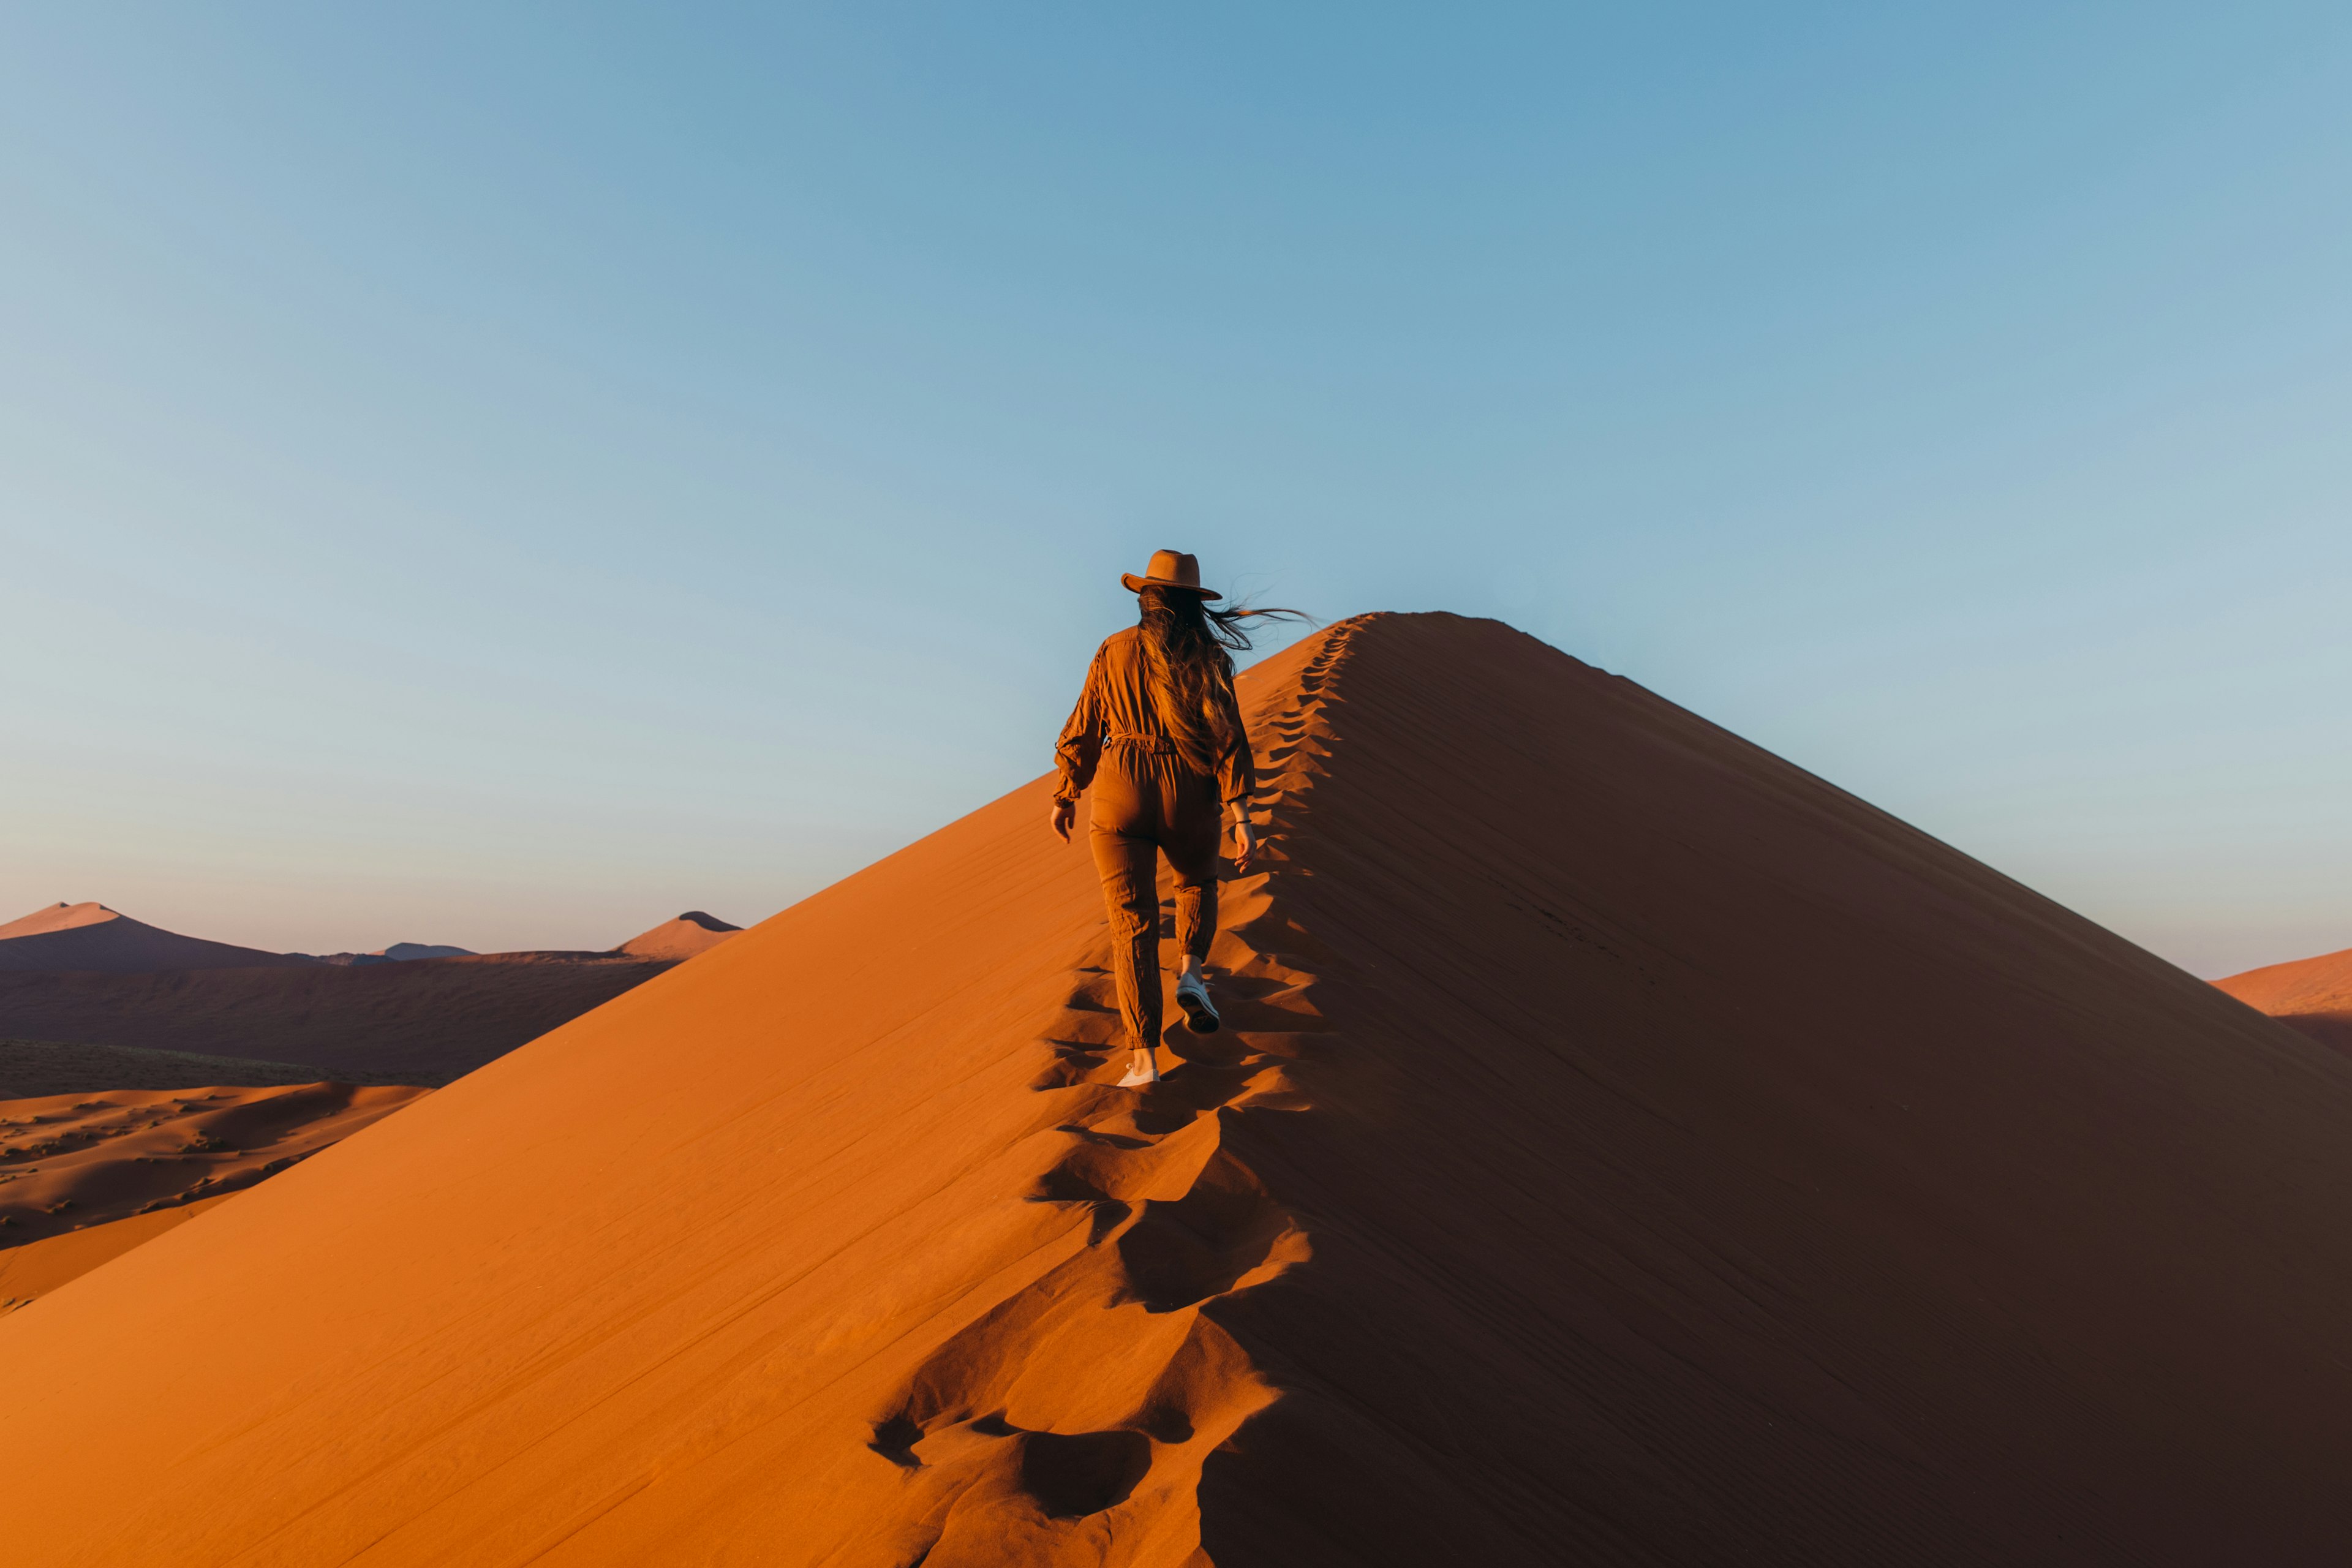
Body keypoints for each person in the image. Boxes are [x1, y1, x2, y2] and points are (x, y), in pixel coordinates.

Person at [1050, 550, 1305, 1087]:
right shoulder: (1206, 655)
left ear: (1146, 598)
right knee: (1196, 883)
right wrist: (1242, 816)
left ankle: (1144, 1061)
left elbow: (1086, 725)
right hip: (1188, 786)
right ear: (1191, 604)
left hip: (1121, 786)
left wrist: (1067, 791)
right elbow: (1228, 736)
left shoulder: (1112, 650)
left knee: (1133, 926)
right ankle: (1190, 973)